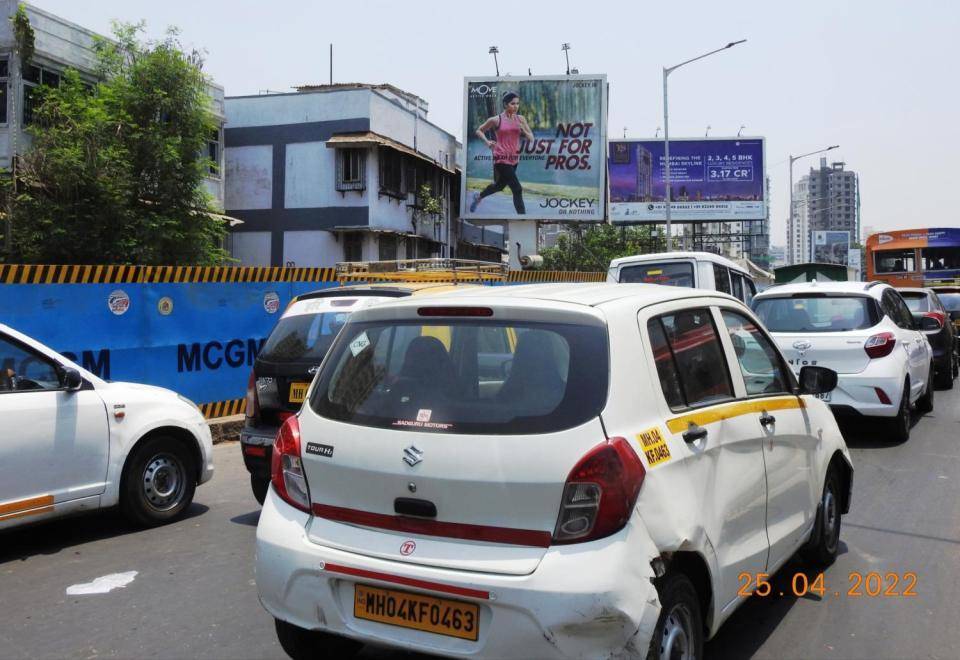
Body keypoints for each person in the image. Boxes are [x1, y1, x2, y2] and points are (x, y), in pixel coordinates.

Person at [469, 91, 534, 214]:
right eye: (512, 104)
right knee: (517, 189)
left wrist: (524, 131)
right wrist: (487, 142)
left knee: (499, 186)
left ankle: (478, 197)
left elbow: (531, 138)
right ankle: (522, 218)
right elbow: (479, 130)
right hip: (501, 157)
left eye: (517, 104)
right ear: (505, 104)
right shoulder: (496, 120)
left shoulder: (521, 119)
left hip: (514, 159)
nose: (515, 106)